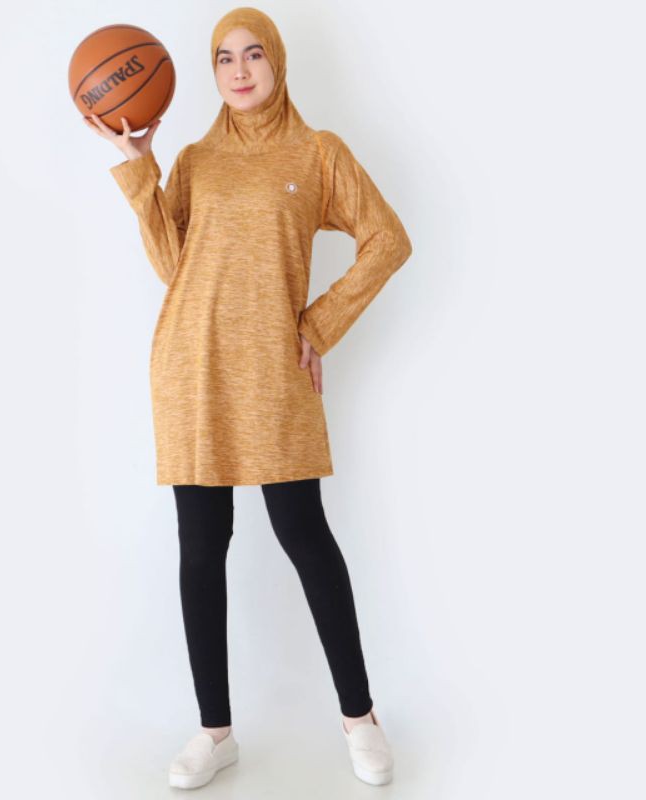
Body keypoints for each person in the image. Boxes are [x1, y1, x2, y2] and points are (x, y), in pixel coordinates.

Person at [84, 6, 413, 789]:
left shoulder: (318, 152)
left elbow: (388, 239)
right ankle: (216, 732)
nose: (238, 70)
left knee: (305, 535)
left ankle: (360, 719)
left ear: (278, 62)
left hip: (272, 373)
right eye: (223, 58)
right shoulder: (195, 160)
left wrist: (319, 323)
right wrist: (141, 168)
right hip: (190, 369)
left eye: (253, 54)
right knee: (201, 547)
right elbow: (174, 265)